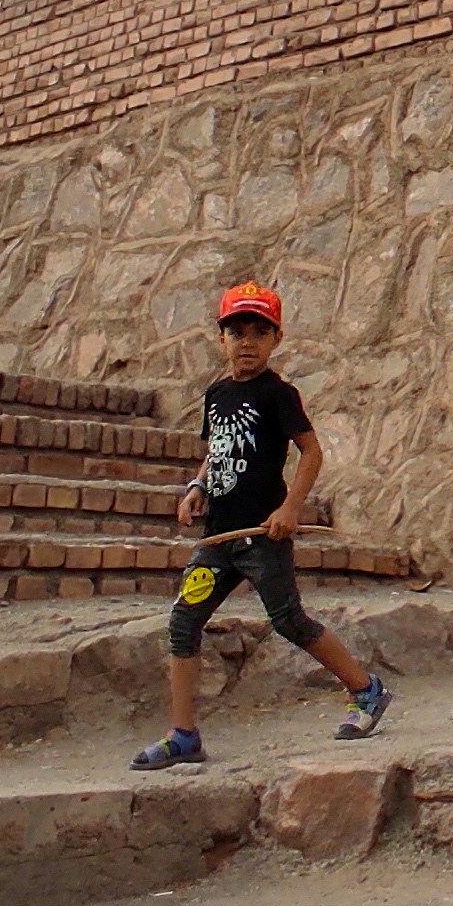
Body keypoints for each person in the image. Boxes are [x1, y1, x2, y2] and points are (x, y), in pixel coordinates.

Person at [134, 280, 392, 768]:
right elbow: (216, 453)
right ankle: (183, 734)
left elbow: (311, 452)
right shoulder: (215, 396)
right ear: (222, 339)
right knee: (183, 621)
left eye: (259, 331)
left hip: (262, 538)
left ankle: (367, 689)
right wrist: (197, 488)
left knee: (289, 620)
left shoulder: (280, 395)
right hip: (218, 539)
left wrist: (291, 508)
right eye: (237, 331)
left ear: (276, 339)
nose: (247, 341)